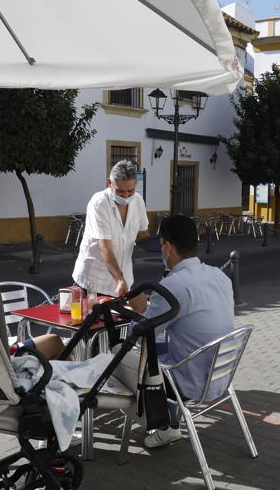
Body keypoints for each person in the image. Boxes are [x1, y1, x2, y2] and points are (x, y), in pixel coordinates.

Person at [117, 214, 236, 449]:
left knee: (118, 355)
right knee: (161, 350)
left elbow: (140, 335)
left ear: (168, 247)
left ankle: (163, 425)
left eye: (161, 244)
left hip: (189, 382)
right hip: (221, 373)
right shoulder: (219, 275)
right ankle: (170, 425)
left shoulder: (172, 286)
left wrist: (139, 309)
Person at [72, 160, 149, 297]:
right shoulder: (99, 202)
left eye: (130, 191)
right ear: (109, 183)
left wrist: (160, 243)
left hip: (125, 279)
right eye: (120, 192)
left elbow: (142, 233)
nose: (126, 196)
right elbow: (105, 249)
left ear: (135, 185)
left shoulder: (138, 201)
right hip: (93, 281)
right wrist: (119, 279)